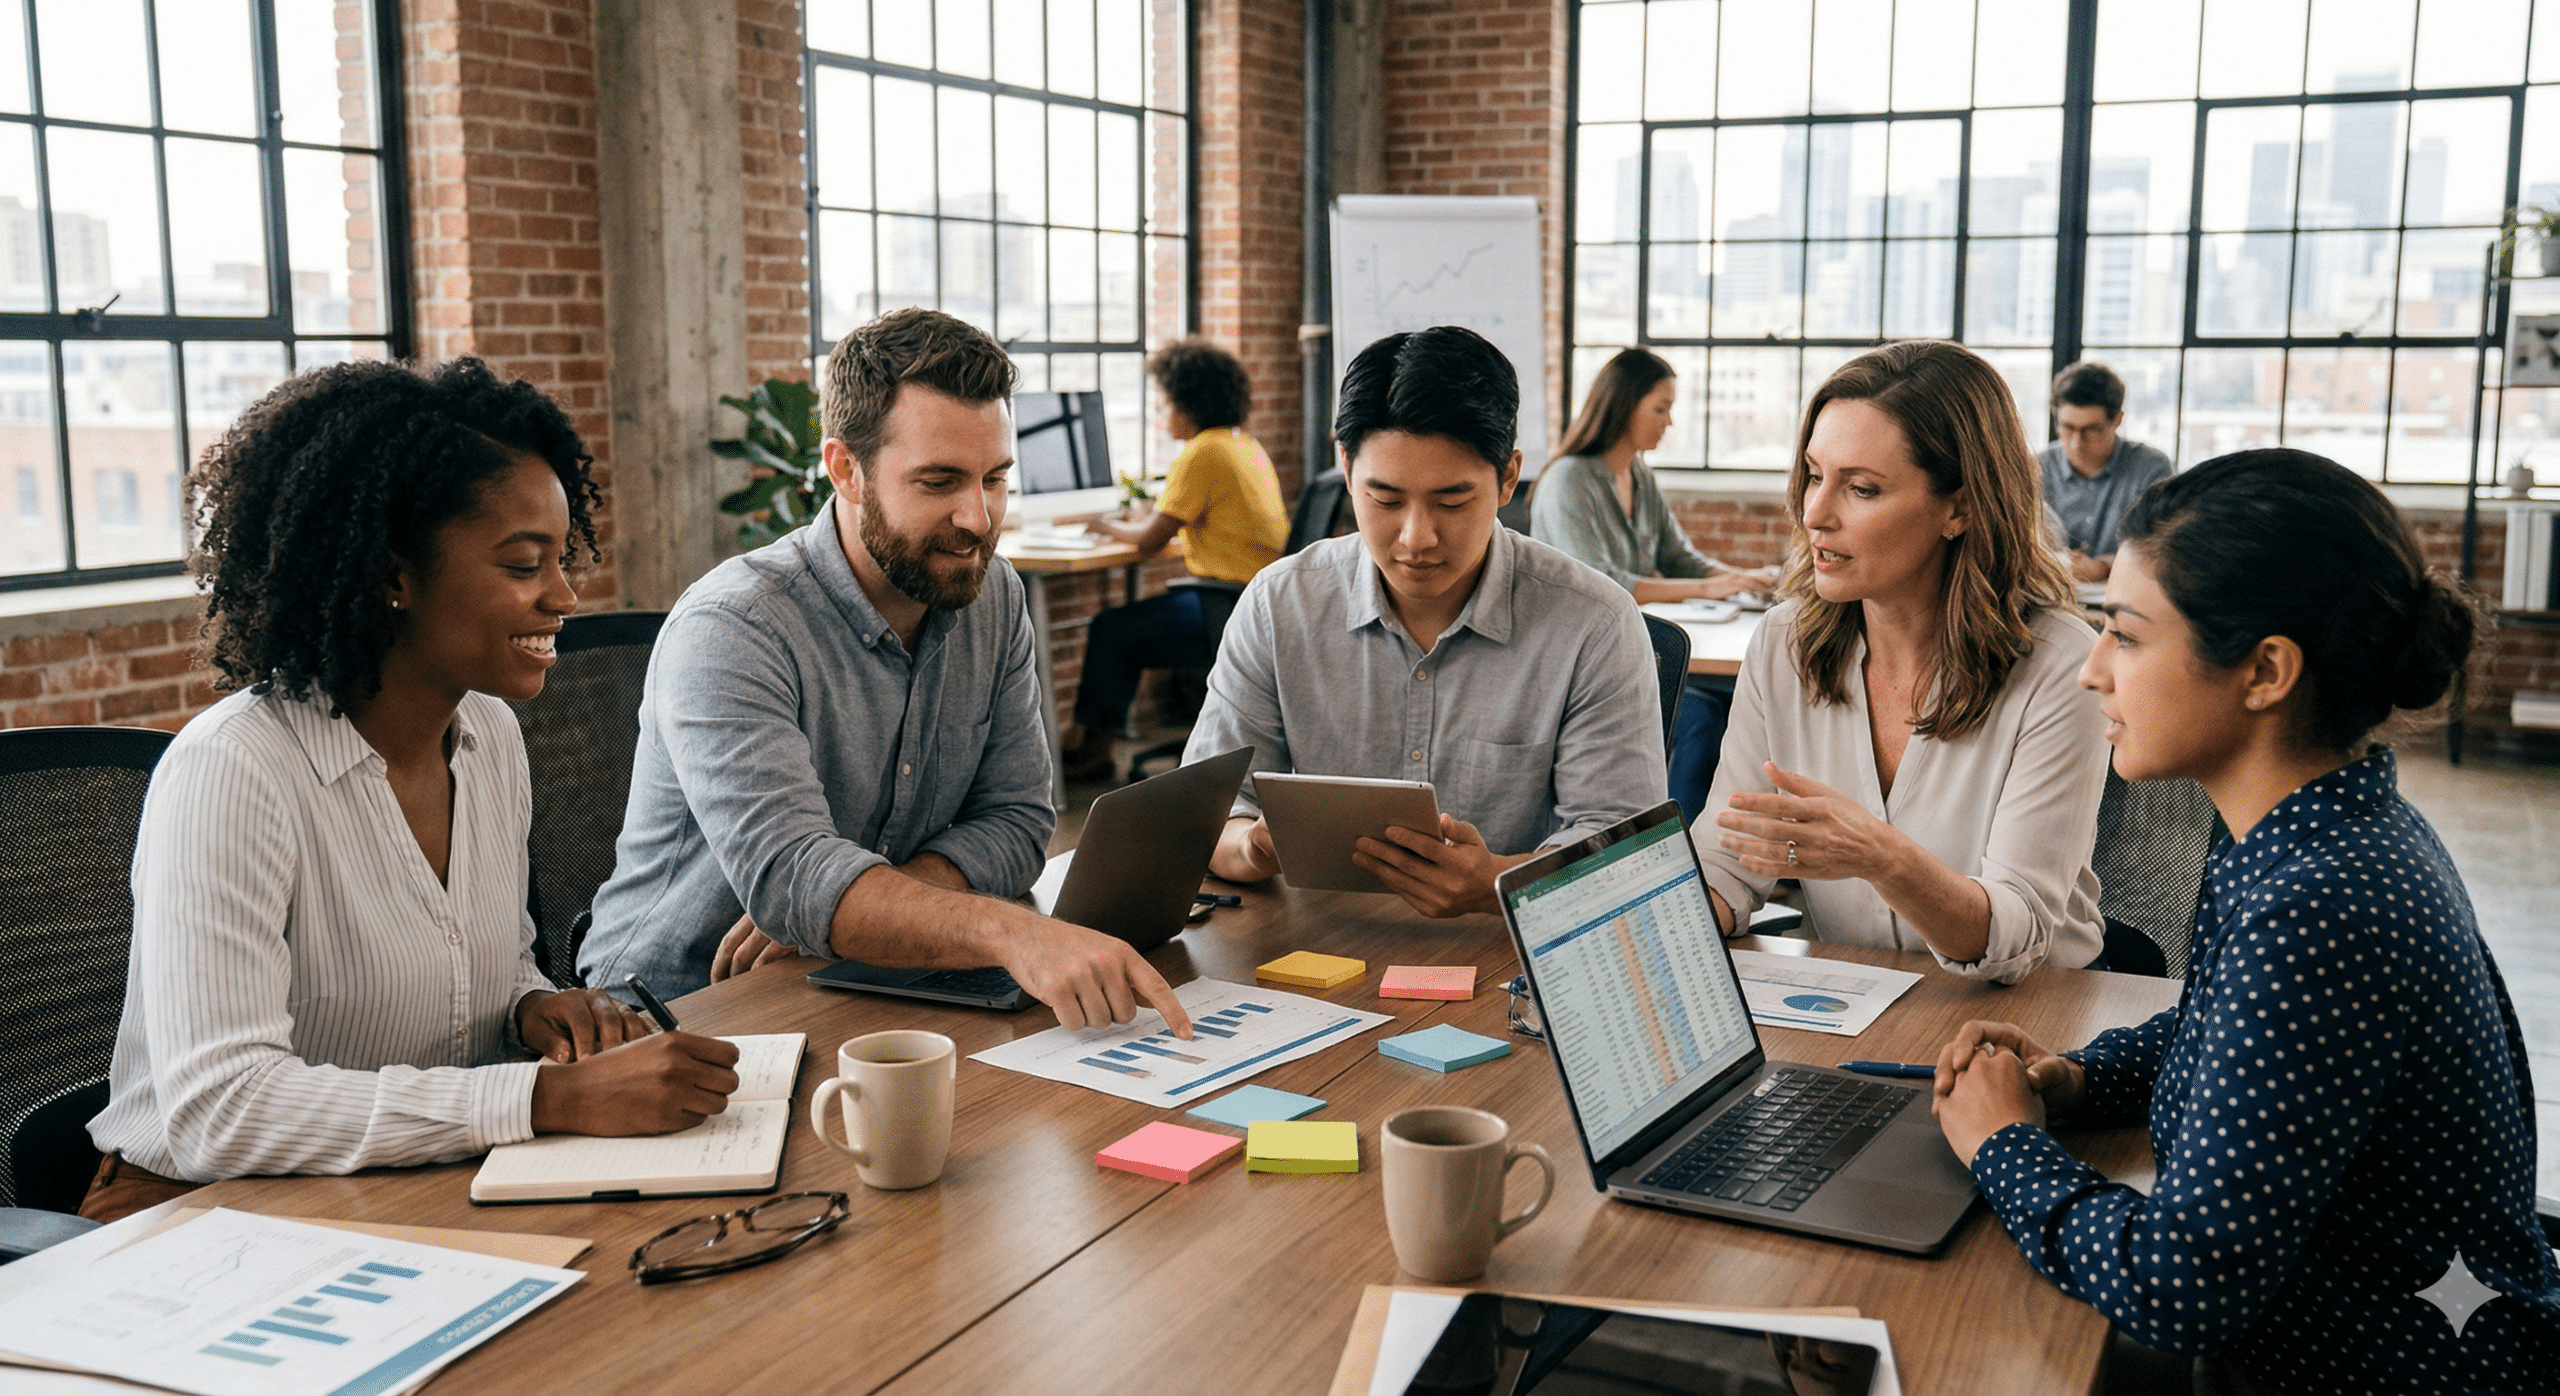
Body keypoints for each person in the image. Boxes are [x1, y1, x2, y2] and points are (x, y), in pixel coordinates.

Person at [1934, 448, 2560, 1394]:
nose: (2092, 673)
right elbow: (2220, 1031)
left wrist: (2002, 1144)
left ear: (2265, 671)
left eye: (2129, 637)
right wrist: (2075, 1080)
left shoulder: (2319, 904)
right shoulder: (2321, 822)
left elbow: (2179, 1290)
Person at [81, 359, 742, 1224]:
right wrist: (546, 1100)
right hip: (200, 1215)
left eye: (560, 558)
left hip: (409, 1184)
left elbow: (482, 970)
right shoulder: (235, 772)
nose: (564, 595)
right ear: (393, 575)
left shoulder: (488, 736)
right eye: (522, 564)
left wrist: (534, 1009)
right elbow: (221, 1109)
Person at [579, 309, 1189, 1036]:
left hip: (867, 982)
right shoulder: (735, 626)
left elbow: (1022, 820)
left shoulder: (993, 594)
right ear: (846, 471)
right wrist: (1008, 932)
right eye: (940, 482)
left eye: (996, 479)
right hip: (674, 1011)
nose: (979, 518)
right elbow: (795, 878)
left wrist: (870, 904)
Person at [1187, 325, 1665, 918]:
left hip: (1507, 966)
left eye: (1452, 502)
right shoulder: (1279, 604)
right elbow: (1205, 820)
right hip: (1314, 952)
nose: (1416, 538)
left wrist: (1494, 880)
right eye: (1385, 500)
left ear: (1509, 478)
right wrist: (1255, 849)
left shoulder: (1593, 623)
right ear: (1346, 468)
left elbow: (1628, 859)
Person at [1697, 340, 2106, 980]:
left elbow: (2017, 933)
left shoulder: (2058, 667)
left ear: (1961, 507)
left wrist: (1881, 856)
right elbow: (1729, 863)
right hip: (1851, 1001)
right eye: (1813, 475)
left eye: (1861, 489)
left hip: (2029, 1018)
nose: (1814, 514)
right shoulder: (1784, 642)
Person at [1531, 346, 1777, 823]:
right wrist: (1710, 590)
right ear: (1624, 405)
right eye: (1660, 408)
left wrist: (1737, 580)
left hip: (1640, 646)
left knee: (1741, 702)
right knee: (1703, 715)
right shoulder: (1569, 481)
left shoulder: (1638, 475)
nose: (1669, 422)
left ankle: (1726, 845)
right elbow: (1604, 585)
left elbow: (1677, 556)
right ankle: (1676, 851)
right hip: (1587, 662)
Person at [1064, 338, 1287, 781]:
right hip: (1254, 601)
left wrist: (1104, 525)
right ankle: (1098, 743)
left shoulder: (1201, 452)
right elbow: (1190, 516)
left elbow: (1148, 542)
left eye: (1165, 404)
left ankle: (1095, 751)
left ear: (1190, 403)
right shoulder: (1242, 445)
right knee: (1127, 626)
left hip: (1223, 607)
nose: (1160, 414)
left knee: (1112, 629)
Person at [2041, 361, 2172, 583]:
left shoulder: (2151, 468)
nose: (2076, 444)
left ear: (2118, 420)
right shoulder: (2037, 468)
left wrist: (2104, 566)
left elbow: (2162, 546)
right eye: (2067, 428)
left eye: (2091, 430)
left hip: (2126, 593)